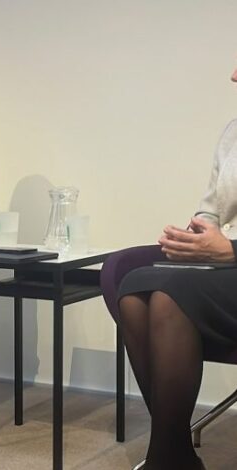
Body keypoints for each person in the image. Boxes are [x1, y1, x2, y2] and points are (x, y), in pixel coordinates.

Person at [110, 66, 237, 470]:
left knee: (169, 297)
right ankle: (175, 451)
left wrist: (231, 251)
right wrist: (196, 237)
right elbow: (211, 207)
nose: (234, 75)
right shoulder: (233, 132)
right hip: (224, 267)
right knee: (134, 287)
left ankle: (165, 459)